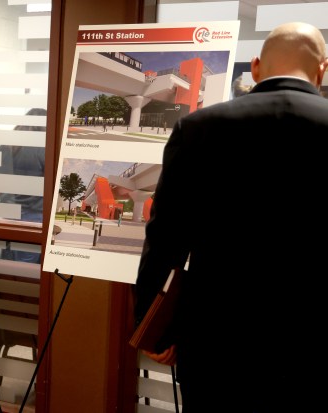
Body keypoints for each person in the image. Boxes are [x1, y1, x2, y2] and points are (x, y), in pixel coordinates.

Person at [133, 22, 328, 413]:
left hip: (216, 335)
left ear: (255, 67)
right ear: (322, 69)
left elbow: (165, 236)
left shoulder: (198, 128)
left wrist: (152, 325)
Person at [0, 108, 46, 263]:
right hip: (34, 216)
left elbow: (3, 185)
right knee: (26, 270)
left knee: (7, 264)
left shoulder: (7, 145)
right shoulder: (46, 149)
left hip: (9, 215)